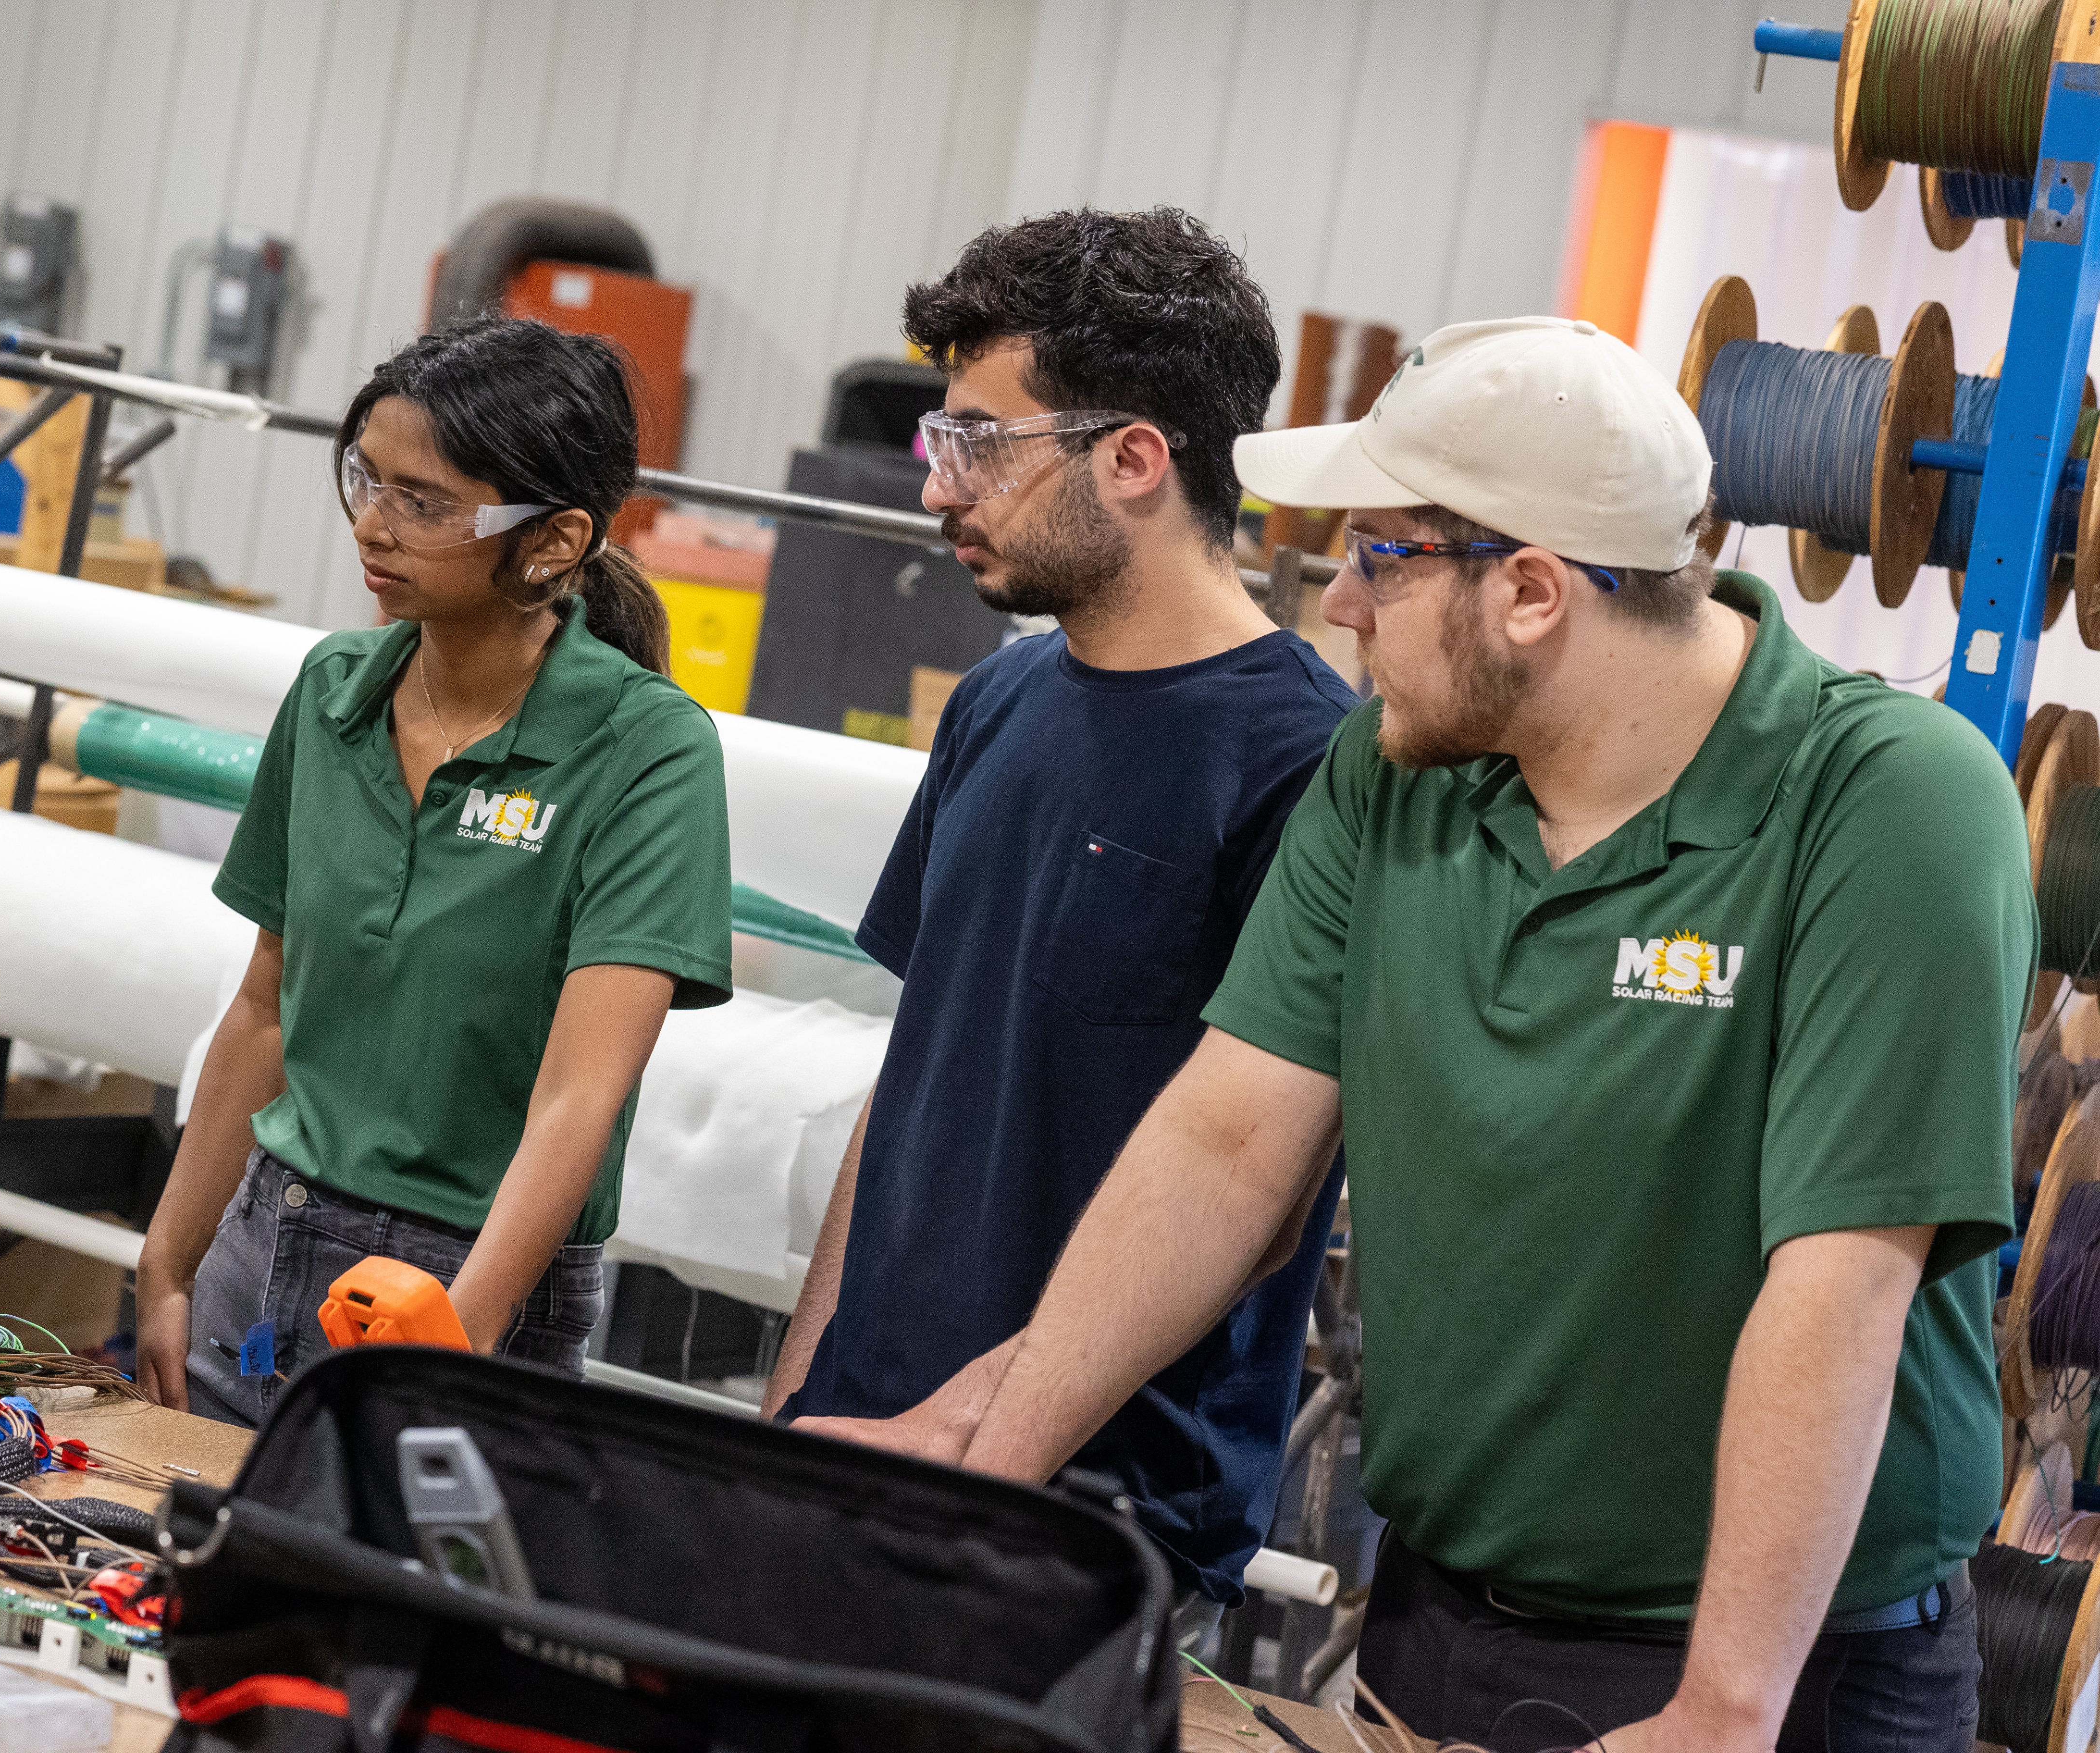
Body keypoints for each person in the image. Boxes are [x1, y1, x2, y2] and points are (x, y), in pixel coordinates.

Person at [822, 317, 2026, 1753]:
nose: (1339, 608)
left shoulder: (1887, 802)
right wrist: (993, 1470)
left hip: (1786, 1673)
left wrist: (1723, 1709)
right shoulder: (1394, 775)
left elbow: (1838, 1281)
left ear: (1530, 592)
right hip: (1440, 1623)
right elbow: (1225, 1149)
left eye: (1381, 556)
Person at [766, 208, 1357, 1611]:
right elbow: (917, 1078)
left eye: (977, 442)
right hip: (869, 1446)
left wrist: (994, 1428)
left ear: (1135, 459)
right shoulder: (999, 700)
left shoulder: (1307, 769)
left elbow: (1258, 1198)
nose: (936, 489)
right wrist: (801, 1391)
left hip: (1100, 1514)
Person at [137, 316, 733, 1425]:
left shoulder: (647, 751)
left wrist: (462, 1330)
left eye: (425, 503)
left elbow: (579, 1099)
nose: (373, 524)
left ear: (551, 543)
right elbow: (265, 1009)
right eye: (367, 480)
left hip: (471, 1284)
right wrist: (168, 1265)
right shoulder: (333, 694)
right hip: (263, 1242)